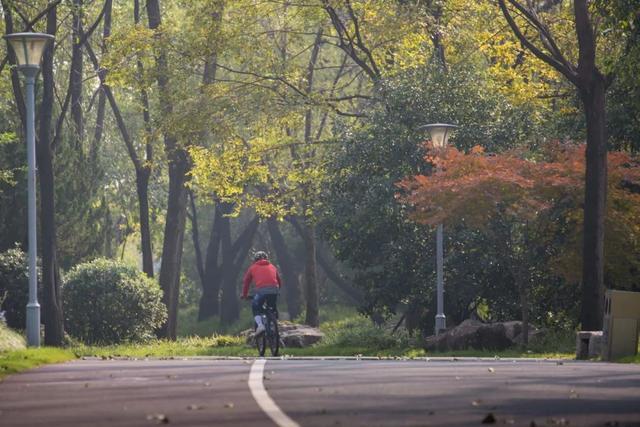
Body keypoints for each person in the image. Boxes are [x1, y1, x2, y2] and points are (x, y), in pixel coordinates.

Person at [242, 251, 281, 335]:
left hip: (262, 291)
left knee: (255, 306)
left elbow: (246, 282)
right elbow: (279, 280)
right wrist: (278, 290)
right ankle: (274, 322)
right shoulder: (272, 266)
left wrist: (245, 295)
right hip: (274, 290)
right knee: (272, 307)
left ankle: (260, 326)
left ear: (255, 260)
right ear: (267, 259)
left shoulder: (252, 267)